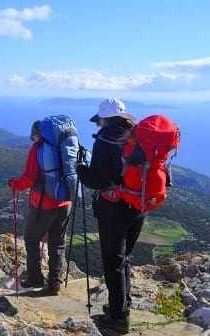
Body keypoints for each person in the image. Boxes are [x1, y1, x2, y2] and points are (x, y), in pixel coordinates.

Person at [76, 98, 139, 334]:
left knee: (113, 263)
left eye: (99, 121)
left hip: (114, 208)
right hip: (138, 204)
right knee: (125, 258)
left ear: (104, 119)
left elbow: (98, 180)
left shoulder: (105, 139)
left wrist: (81, 168)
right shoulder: (136, 135)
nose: (98, 125)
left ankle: (118, 319)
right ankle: (122, 305)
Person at [8, 121, 73, 295]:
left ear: (38, 134)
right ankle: (55, 283)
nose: (33, 139)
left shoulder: (38, 149)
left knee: (31, 239)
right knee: (58, 243)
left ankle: (35, 278)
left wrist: (14, 183)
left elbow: (28, 179)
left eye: (33, 135)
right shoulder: (65, 147)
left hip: (44, 204)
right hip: (66, 203)